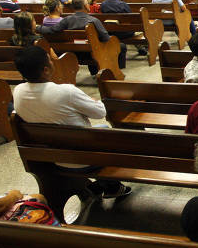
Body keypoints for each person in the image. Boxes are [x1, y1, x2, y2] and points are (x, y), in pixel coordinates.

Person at [12, 45, 130, 198]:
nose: (53, 62)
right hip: (86, 158)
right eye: (50, 60)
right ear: (46, 70)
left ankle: (96, 186)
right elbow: (100, 111)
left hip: (52, 158)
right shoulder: (66, 92)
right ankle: (111, 186)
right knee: (109, 134)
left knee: (101, 129)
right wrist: (92, 101)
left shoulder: (18, 92)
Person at [37, 0, 127, 74]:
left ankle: (95, 72)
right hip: (93, 53)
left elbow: (51, 30)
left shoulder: (67, 20)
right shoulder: (93, 21)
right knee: (121, 46)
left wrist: (36, 27)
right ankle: (115, 70)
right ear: (85, 6)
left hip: (75, 53)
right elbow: (106, 38)